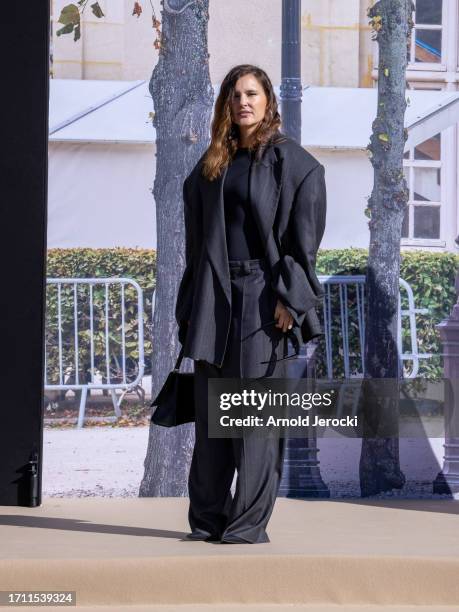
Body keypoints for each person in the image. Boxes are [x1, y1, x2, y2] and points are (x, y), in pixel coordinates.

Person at [175, 64, 327, 544]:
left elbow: (304, 244)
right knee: (212, 419)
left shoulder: (295, 164)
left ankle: (245, 527)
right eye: (235, 94)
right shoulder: (213, 164)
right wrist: (191, 303)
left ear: (267, 101)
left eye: (252, 94)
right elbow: (198, 239)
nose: (243, 102)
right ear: (226, 103)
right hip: (215, 298)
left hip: (265, 299)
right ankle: (208, 521)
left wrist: (291, 300)